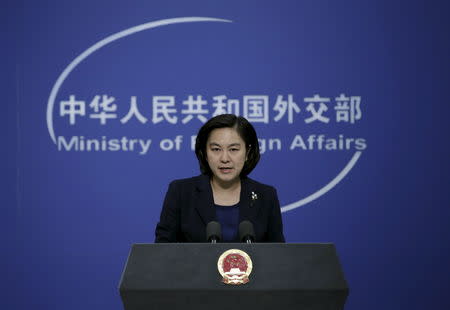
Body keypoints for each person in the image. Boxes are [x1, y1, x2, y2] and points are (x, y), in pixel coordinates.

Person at [154, 114, 285, 242]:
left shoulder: (266, 196)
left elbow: (277, 257)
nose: (224, 159)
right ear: (205, 152)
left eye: (233, 149)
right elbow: (162, 253)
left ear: (248, 153)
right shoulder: (181, 192)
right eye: (216, 149)